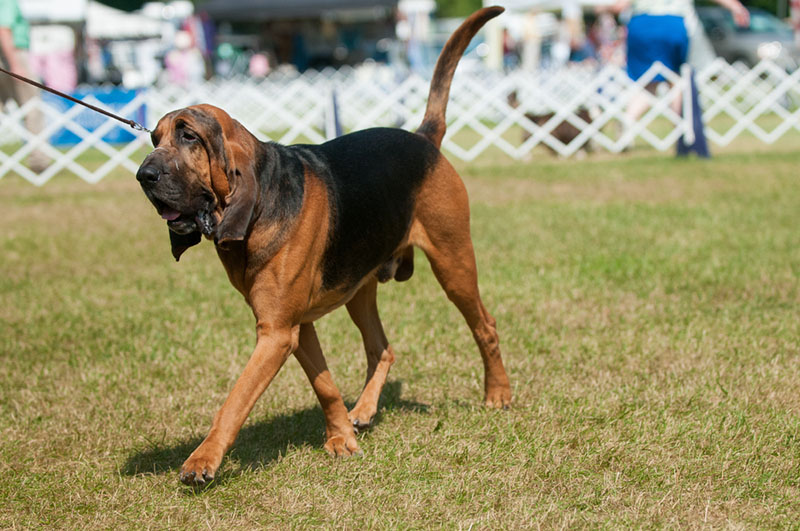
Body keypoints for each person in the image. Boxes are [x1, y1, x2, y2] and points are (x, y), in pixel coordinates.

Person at [614, 0, 749, 149]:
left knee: (648, 81)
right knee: (675, 79)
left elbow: (619, 6)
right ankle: (682, 132)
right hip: (673, 23)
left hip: (641, 25)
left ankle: (629, 118)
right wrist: (736, 6)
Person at [0, 0, 48, 173]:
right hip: (10, 55)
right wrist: (16, 65)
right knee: (32, 109)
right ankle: (39, 161)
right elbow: (3, 29)